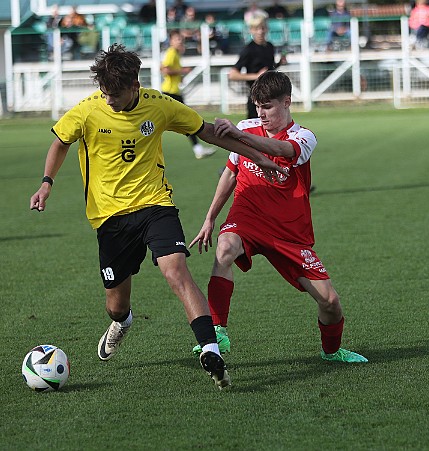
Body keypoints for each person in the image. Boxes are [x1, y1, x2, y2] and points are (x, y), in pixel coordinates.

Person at [29, 44, 286, 390]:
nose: (109, 101)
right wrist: (47, 183)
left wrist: (259, 156)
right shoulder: (88, 111)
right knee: (115, 306)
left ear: (135, 85)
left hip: (155, 206)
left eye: (115, 94)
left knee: (176, 270)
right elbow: (60, 141)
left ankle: (210, 350)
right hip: (109, 218)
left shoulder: (160, 105)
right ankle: (124, 321)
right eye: (104, 93)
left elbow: (206, 131)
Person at [190, 70, 368, 365]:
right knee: (225, 249)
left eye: (268, 107)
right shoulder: (248, 127)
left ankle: (332, 351)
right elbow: (230, 173)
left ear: (287, 102)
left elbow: (284, 150)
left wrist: (239, 135)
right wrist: (210, 218)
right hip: (248, 216)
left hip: (288, 231)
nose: (261, 114)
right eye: (257, 106)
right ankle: (218, 330)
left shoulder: (303, 136)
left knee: (330, 302)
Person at [161, 29, 216, 159]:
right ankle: (198, 148)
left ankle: (198, 148)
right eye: (176, 39)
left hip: (173, 92)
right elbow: (165, 69)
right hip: (170, 92)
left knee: (185, 120)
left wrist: (179, 75)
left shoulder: (175, 53)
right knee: (188, 120)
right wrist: (182, 70)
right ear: (171, 41)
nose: (180, 41)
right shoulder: (171, 52)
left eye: (181, 39)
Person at [228, 16, 286, 119]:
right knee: (254, 131)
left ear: (267, 29)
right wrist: (256, 76)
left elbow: (268, 70)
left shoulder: (269, 46)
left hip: (271, 96)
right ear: (251, 30)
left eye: (263, 28)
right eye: (256, 29)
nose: (260, 31)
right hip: (256, 97)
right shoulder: (248, 49)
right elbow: (233, 75)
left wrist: (279, 63)